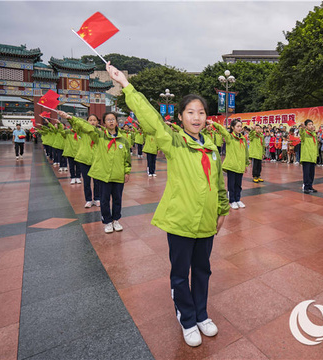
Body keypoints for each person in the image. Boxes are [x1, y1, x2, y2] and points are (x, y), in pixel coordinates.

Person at [107, 62, 229, 347]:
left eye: (201, 113)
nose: (196, 117)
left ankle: (201, 314)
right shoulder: (173, 141)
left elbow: (219, 183)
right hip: (180, 221)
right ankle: (186, 318)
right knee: (180, 274)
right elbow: (151, 120)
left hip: (206, 222)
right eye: (191, 112)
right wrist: (127, 86)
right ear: (180, 117)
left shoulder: (211, 147)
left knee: (202, 270)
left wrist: (222, 209)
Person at [62, 111, 131, 233]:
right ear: (104, 123)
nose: (111, 121)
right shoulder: (99, 136)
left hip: (118, 175)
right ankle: (108, 222)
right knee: (104, 200)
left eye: (113, 119)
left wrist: (126, 172)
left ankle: (116, 220)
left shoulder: (123, 140)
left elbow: (127, 159)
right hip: (103, 175)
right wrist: (70, 117)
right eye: (108, 119)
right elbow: (86, 127)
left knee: (117, 199)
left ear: (116, 122)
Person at [212, 119, 249, 209]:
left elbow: (246, 152)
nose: (240, 128)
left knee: (238, 184)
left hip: (240, 165)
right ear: (232, 127)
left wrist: (246, 164)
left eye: (241, 126)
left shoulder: (243, 139)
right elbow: (223, 131)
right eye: (237, 126)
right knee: (231, 184)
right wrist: (214, 124)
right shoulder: (229, 137)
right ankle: (232, 200)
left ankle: (238, 199)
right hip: (232, 165)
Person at [72, 114, 101, 208]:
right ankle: (88, 200)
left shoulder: (100, 132)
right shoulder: (82, 132)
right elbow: (76, 125)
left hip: (96, 160)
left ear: (97, 122)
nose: (92, 122)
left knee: (97, 181)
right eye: (90, 120)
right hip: (84, 159)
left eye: (94, 120)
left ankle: (97, 198)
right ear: (87, 122)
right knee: (86, 181)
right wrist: (70, 118)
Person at [300, 119, 318, 194]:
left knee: (312, 173)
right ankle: (306, 186)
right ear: (306, 126)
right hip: (306, 157)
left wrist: (316, 155)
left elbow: (316, 145)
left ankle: (310, 186)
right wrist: (302, 128)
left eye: (312, 124)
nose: (311, 126)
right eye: (309, 125)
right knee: (306, 173)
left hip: (312, 157)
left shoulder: (314, 134)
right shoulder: (304, 134)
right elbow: (302, 134)